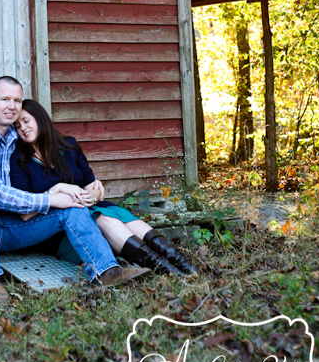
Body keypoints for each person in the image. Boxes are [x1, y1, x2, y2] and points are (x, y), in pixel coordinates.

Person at [0, 76, 150, 302]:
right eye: (5, 99)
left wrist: (80, 186)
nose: (12, 106)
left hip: (9, 225)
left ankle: (106, 271)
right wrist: (51, 197)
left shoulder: (16, 136)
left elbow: (48, 142)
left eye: (17, 100)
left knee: (71, 205)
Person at [10, 99, 197, 276]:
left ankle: (184, 265)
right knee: (105, 219)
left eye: (26, 121)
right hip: (61, 226)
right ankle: (167, 271)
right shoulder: (20, 160)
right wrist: (56, 190)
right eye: (17, 126)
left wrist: (91, 197)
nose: (23, 128)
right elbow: (25, 212)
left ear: (40, 119)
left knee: (119, 217)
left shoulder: (68, 146)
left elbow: (94, 187)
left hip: (89, 207)